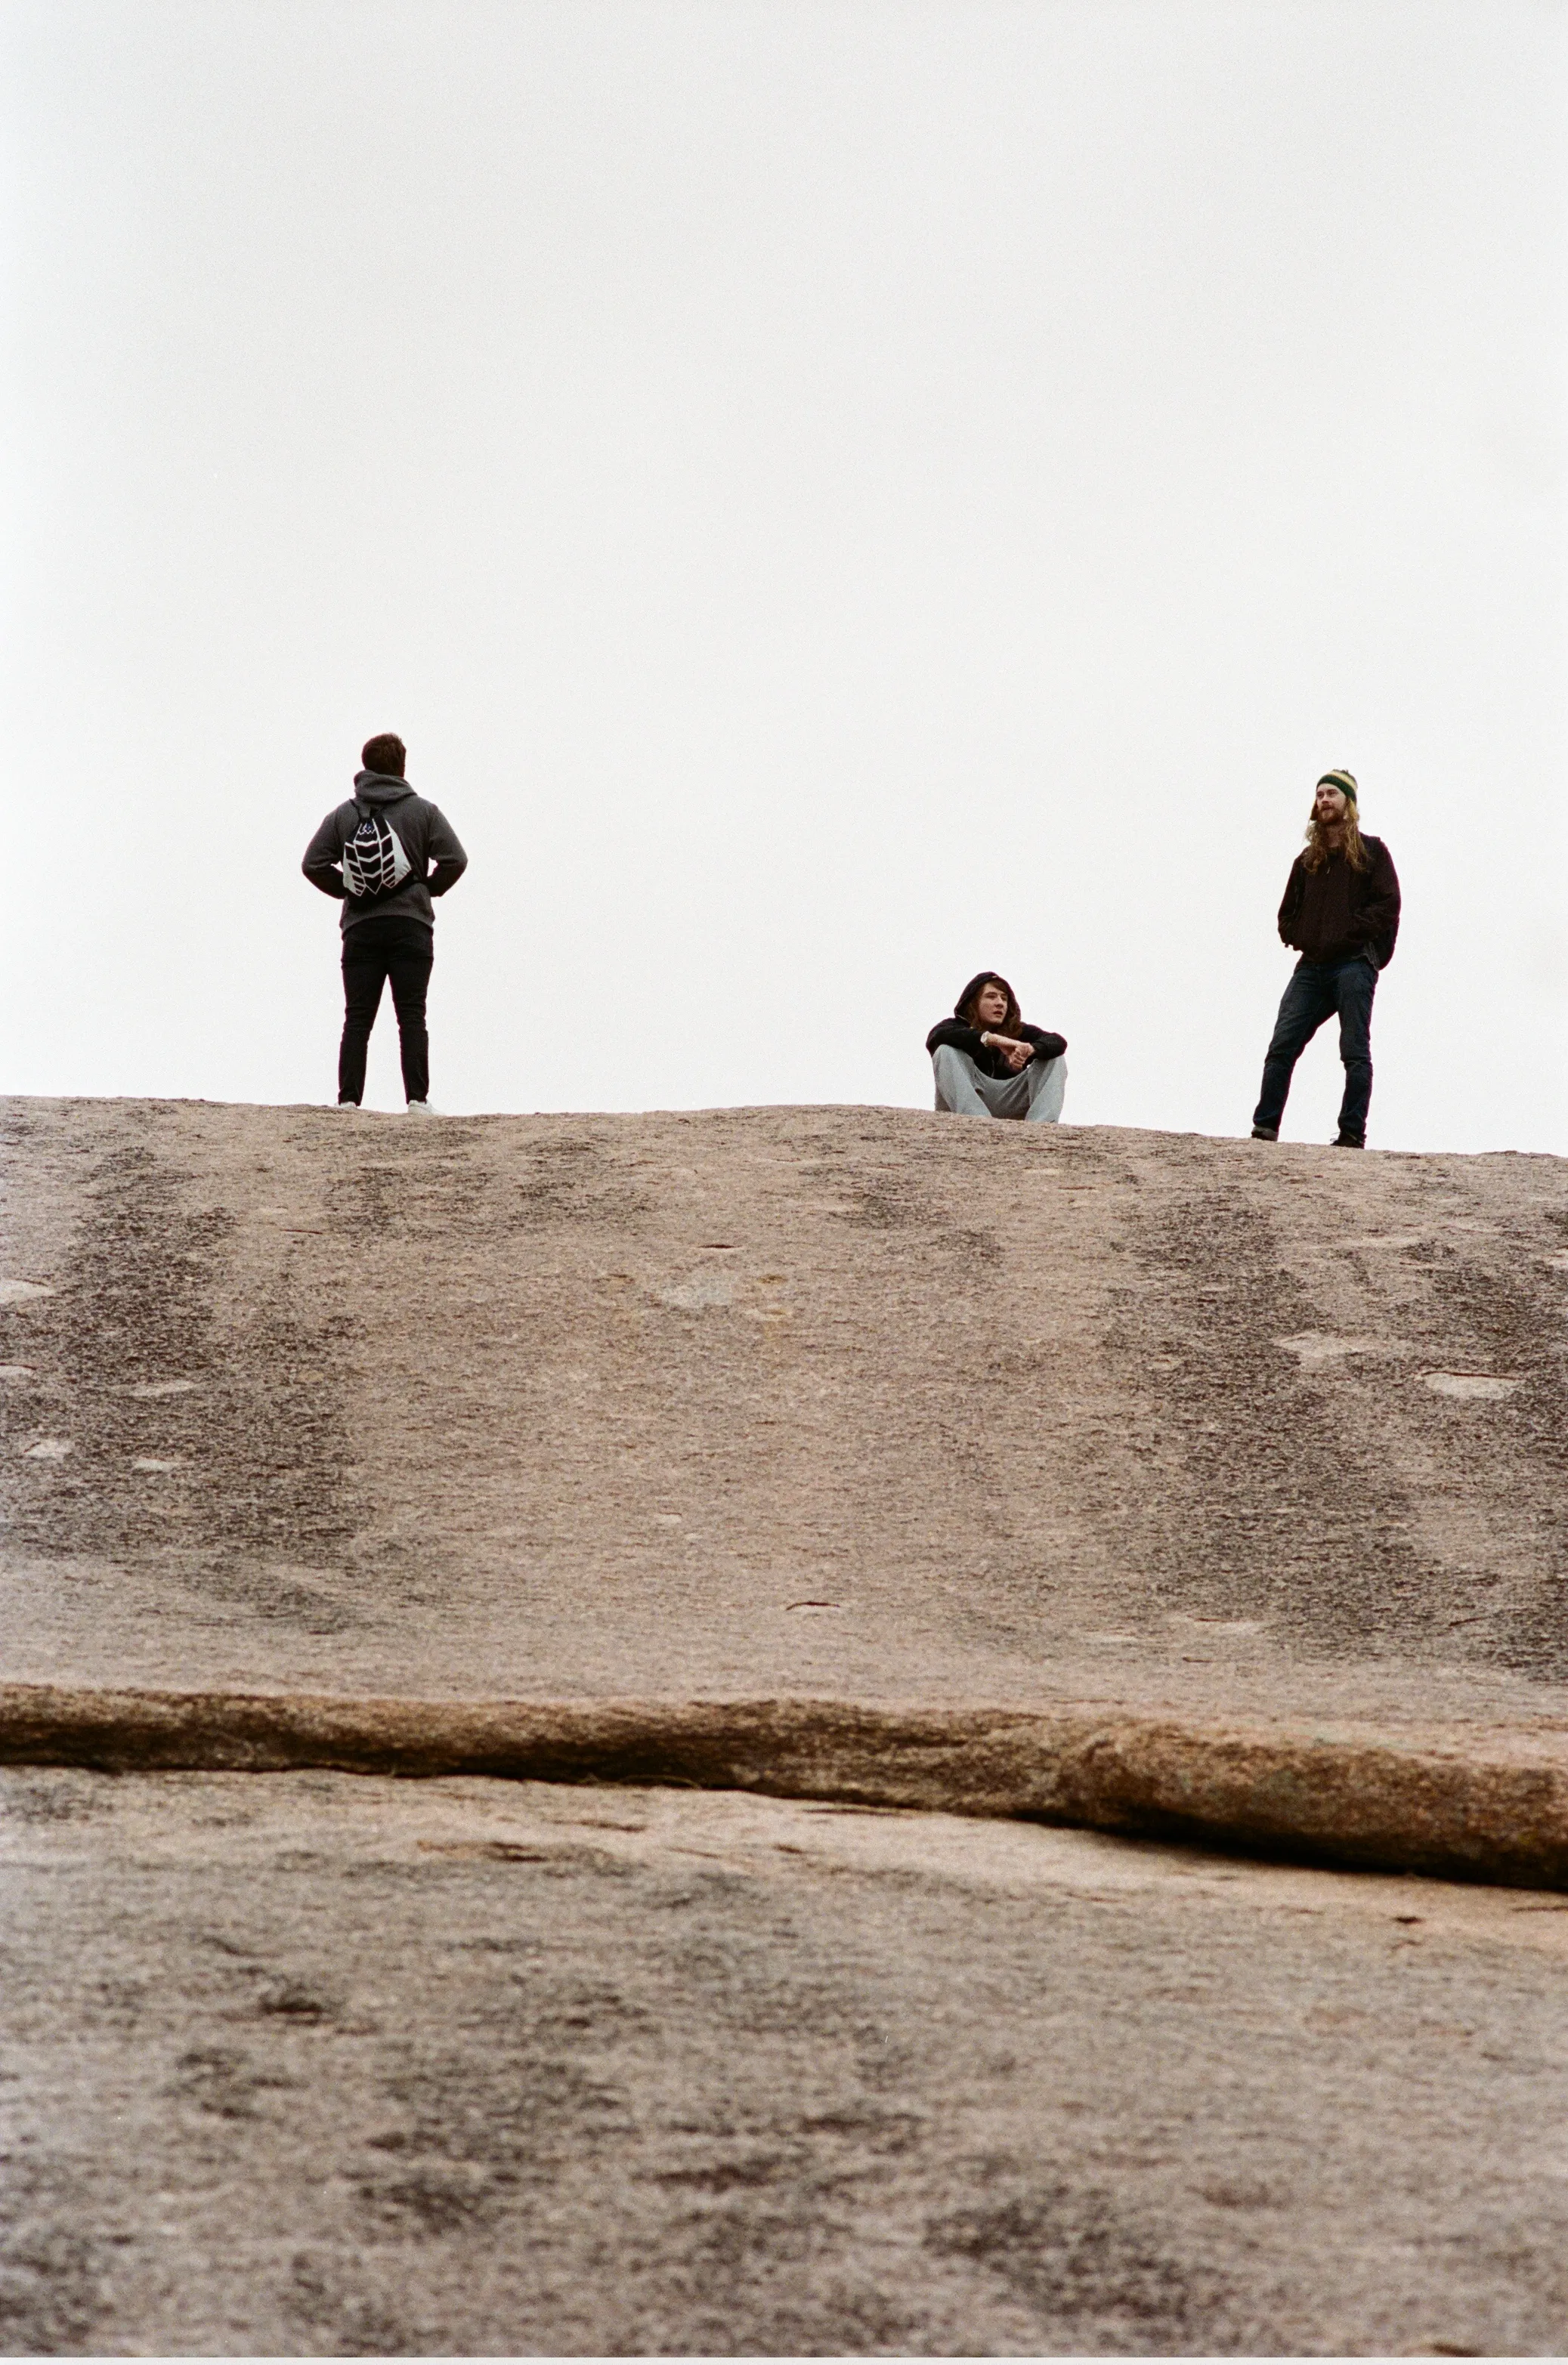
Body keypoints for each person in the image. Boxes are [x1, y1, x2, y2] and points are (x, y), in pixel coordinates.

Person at [302, 734, 469, 1112]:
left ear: (366, 767)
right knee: (411, 1014)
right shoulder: (424, 812)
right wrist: (426, 890)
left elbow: (311, 864)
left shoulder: (344, 814)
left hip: (360, 930)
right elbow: (456, 859)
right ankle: (418, 1101)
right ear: (401, 767)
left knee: (357, 1017)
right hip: (411, 926)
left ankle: (348, 1102)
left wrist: (350, 890)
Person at [1251, 769, 1399, 1149]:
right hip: (1312, 968)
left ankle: (1352, 1133)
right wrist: (1302, 937)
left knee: (1354, 1050)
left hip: (1354, 965)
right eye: (1319, 794)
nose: (1324, 800)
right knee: (1281, 1046)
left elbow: (1388, 905)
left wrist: (1348, 933)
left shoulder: (1372, 851)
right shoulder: (1307, 861)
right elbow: (1286, 915)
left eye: (1332, 793)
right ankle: (1264, 1129)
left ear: (1348, 802)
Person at [926, 972, 1067, 1123]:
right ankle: (977, 1123)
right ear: (974, 1002)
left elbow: (1058, 1041)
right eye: (991, 996)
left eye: (1004, 998)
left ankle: (1042, 1127)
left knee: (1055, 1058)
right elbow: (936, 1037)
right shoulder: (954, 1027)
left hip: (1010, 1101)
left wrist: (1031, 1050)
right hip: (970, 1103)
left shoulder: (1019, 1031)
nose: (1000, 1003)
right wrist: (994, 1040)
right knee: (945, 1051)